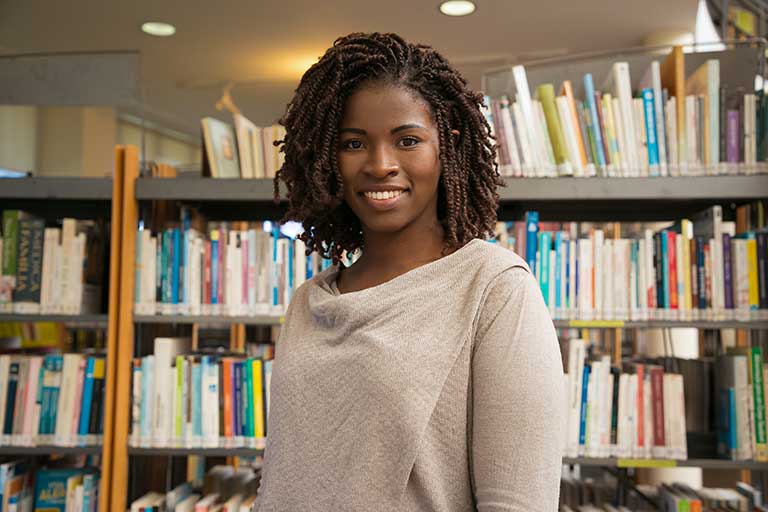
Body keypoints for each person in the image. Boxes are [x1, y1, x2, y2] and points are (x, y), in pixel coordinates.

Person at [256, 32, 564, 511]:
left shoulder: (493, 289)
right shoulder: (309, 301)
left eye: (408, 140)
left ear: (447, 148)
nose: (380, 165)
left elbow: (519, 502)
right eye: (353, 143)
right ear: (325, 157)